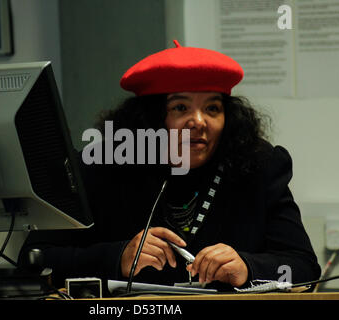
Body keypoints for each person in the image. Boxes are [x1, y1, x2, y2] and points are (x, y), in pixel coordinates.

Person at [18, 40, 321, 292]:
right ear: (149, 120)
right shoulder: (103, 167)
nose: (199, 122)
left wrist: (248, 267)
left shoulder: (260, 167)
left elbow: (304, 266)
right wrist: (117, 257)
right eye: (180, 108)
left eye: (212, 108)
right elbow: (34, 259)